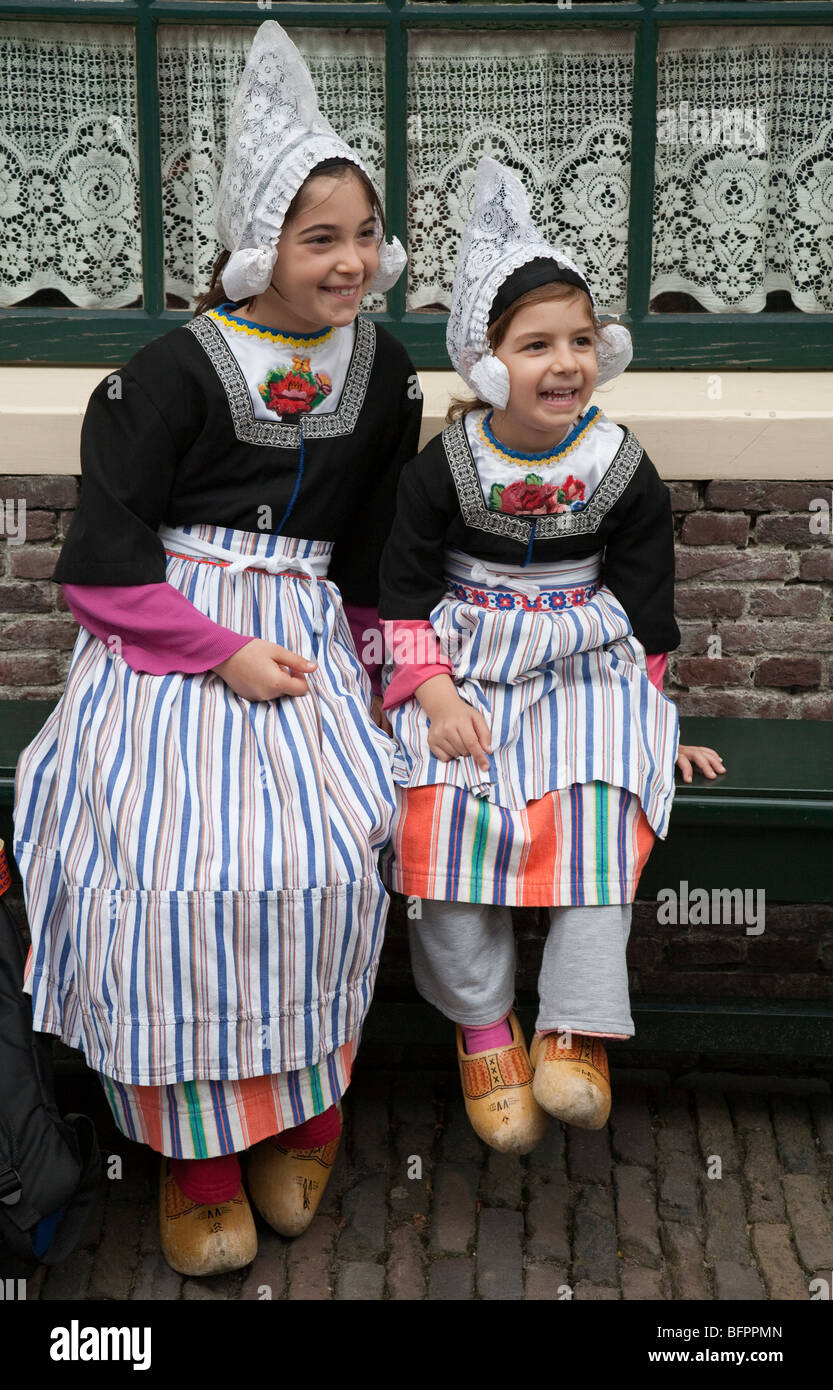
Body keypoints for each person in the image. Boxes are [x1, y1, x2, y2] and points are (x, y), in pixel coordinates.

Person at [13, 21, 421, 1277]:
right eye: (319, 239)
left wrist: (389, 665)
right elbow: (102, 564)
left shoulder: (388, 374)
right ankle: (195, 1157)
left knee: (325, 859)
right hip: (173, 649)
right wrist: (217, 655)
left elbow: (372, 552)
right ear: (260, 245)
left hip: (307, 645)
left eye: (361, 235)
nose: (350, 262)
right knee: (169, 875)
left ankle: (304, 1110)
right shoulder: (164, 377)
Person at [378, 158, 724, 1154]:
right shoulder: (442, 468)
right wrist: (432, 691)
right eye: (535, 345)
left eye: (578, 340)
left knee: (600, 814)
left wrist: (653, 721)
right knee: (437, 828)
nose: (563, 363)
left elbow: (645, 597)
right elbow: (401, 590)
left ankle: (573, 1028)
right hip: (467, 659)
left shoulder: (615, 463)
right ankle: (484, 1026)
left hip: (583, 654)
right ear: (486, 364)